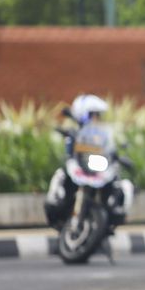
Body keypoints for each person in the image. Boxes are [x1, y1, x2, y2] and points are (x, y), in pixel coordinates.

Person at [45, 95, 110, 229]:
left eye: (97, 115)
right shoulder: (75, 132)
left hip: (94, 169)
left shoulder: (100, 135)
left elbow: (109, 148)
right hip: (77, 167)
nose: (95, 118)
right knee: (60, 176)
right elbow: (70, 151)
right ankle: (56, 202)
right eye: (92, 115)